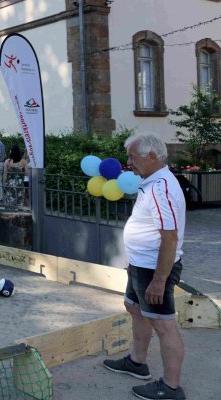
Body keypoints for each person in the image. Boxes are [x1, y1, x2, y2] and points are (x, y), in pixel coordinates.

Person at [102, 132, 186, 400]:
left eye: (132, 157)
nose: (128, 163)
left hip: (154, 269)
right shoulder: (151, 182)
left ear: (152, 156)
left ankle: (171, 387)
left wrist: (159, 280)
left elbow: (170, 237)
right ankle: (137, 362)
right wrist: (133, 261)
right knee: (135, 309)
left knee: (163, 325)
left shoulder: (161, 187)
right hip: (141, 264)